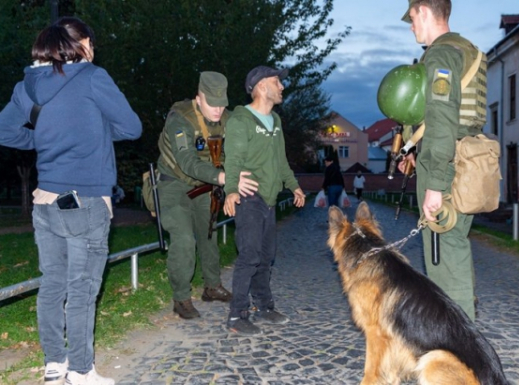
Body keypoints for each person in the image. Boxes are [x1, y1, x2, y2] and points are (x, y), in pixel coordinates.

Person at [0, 17, 142, 385]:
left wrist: (43, 138)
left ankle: (55, 364)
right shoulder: (92, 77)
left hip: (45, 200)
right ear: (81, 46)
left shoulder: (26, 85)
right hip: (86, 201)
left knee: (53, 284)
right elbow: (131, 127)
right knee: (82, 288)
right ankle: (81, 370)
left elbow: (5, 130)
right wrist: (89, 130)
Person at [398, 0, 487, 321]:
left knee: (445, 254)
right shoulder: (466, 49)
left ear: (423, 10)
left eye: (411, 18)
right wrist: (412, 150)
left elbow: (442, 119)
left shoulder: (441, 54)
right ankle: (462, 329)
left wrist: (435, 184)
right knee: (453, 246)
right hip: (464, 159)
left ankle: (458, 346)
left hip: (448, 167)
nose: (411, 26)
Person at [156, 71, 257, 320]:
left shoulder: (227, 118)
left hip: (205, 186)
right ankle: (181, 298)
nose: (217, 110)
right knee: (184, 240)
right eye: (212, 104)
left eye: (222, 104)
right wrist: (225, 178)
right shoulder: (180, 119)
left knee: (209, 234)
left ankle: (211, 287)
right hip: (174, 185)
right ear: (199, 98)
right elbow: (187, 162)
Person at [223, 65, 305, 335]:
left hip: (269, 198)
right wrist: (231, 190)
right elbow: (233, 159)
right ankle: (237, 315)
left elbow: (281, 161)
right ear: (260, 87)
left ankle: (264, 307)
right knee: (249, 255)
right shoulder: (241, 120)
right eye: (276, 81)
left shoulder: (276, 122)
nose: (282, 86)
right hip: (250, 197)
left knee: (266, 256)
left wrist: (294, 186)